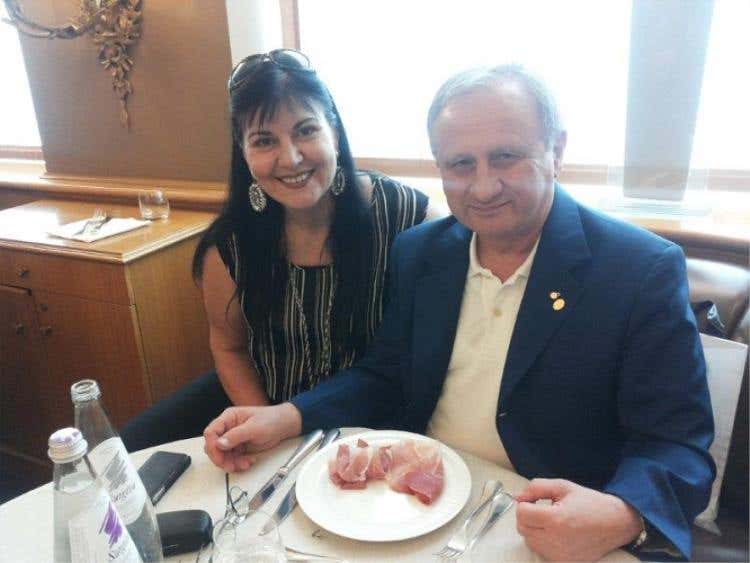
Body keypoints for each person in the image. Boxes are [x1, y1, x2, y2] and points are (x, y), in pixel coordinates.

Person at [203, 65, 714, 560]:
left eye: (505, 157)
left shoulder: (639, 270)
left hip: (549, 525)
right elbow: (385, 377)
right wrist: (286, 417)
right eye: (460, 164)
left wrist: (623, 514)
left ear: (556, 150)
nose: (483, 187)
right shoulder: (420, 252)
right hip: (415, 511)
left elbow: (678, 446)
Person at [120, 49, 440, 452]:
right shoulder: (228, 248)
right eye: (264, 140)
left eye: (306, 130)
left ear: (333, 131)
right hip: (271, 407)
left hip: (374, 422)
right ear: (243, 152)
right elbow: (229, 347)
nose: (289, 158)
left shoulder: (408, 216)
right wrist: (266, 426)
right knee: (126, 448)